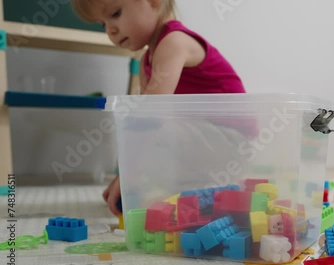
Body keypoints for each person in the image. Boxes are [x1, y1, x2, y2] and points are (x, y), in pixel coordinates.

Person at [72, 0, 249, 216]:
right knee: (138, 131)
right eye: (102, 24)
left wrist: (129, 179)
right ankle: (195, 190)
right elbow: (142, 120)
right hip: (204, 139)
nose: (111, 30)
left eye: (115, 14)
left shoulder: (175, 42)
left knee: (150, 129)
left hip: (233, 141)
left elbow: (150, 118)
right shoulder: (148, 59)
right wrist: (128, 176)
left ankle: (198, 187)